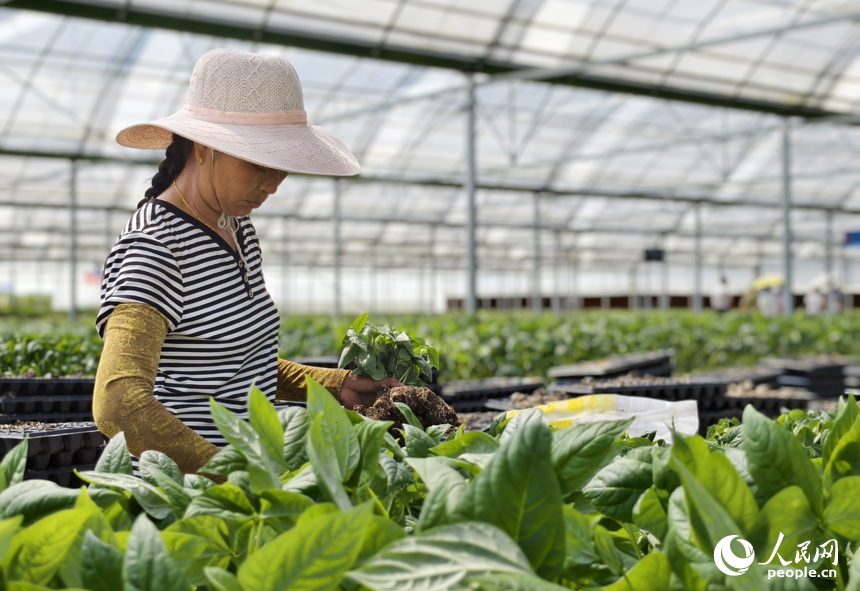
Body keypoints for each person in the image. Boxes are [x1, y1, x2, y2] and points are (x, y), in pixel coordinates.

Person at [93, 49, 399, 476]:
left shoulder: (237, 229)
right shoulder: (157, 244)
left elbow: (234, 362)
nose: (273, 184)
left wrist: (335, 383)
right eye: (259, 165)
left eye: (282, 168)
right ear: (203, 148)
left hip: (250, 480)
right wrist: (229, 475)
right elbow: (118, 401)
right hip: (184, 499)